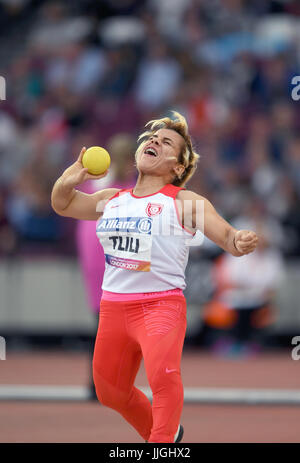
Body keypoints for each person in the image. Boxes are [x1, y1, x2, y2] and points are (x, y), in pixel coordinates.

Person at [51, 111, 258, 443]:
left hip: (160, 306)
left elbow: (226, 236)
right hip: (113, 308)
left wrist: (238, 239)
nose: (154, 142)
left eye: (166, 143)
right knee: (109, 391)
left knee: (163, 377)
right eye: (151, 139)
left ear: (177, 167)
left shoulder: (184, 201)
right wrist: (70, 178)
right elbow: (63, 205)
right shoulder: (111, 199)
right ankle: (167, 436)